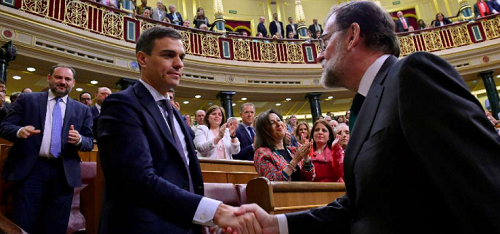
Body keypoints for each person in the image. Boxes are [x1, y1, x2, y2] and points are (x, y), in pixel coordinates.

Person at [234, 1, 500, 233]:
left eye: (324, 41)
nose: (319, 54)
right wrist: (276, 225)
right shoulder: (365, 103)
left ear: (352, 36)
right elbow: (363, 207)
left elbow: (484, 186)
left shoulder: (413, 74)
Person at [96, 27, 260, 234]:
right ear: (143, 59)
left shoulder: (174, 114)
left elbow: (185, 177)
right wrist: (213, 212)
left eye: (181, 57)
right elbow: (137, 180)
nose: (179, 64)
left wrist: (202, 223)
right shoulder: (121, 105)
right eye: (168, 55)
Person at [0, 65, 94, 234]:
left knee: (55, 226)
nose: (62, 82)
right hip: (31, 170)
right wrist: (19, 131)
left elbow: (89, 141)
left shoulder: (83, 110)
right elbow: (5, 126)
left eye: (67, 79)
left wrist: (79, 140)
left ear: (73, 83)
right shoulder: (28, 100)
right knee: (23, 224)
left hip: (63, 174)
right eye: (58, 77)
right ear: (49, 78)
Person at [253, 109, 314, 181]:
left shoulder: (293, 150)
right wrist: (294, 162)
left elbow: (309, 179)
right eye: (272, 123)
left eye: (278, 120)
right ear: (265, 131)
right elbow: (271, 182)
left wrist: (306, 158)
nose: (278, 124)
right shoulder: (262, 153)